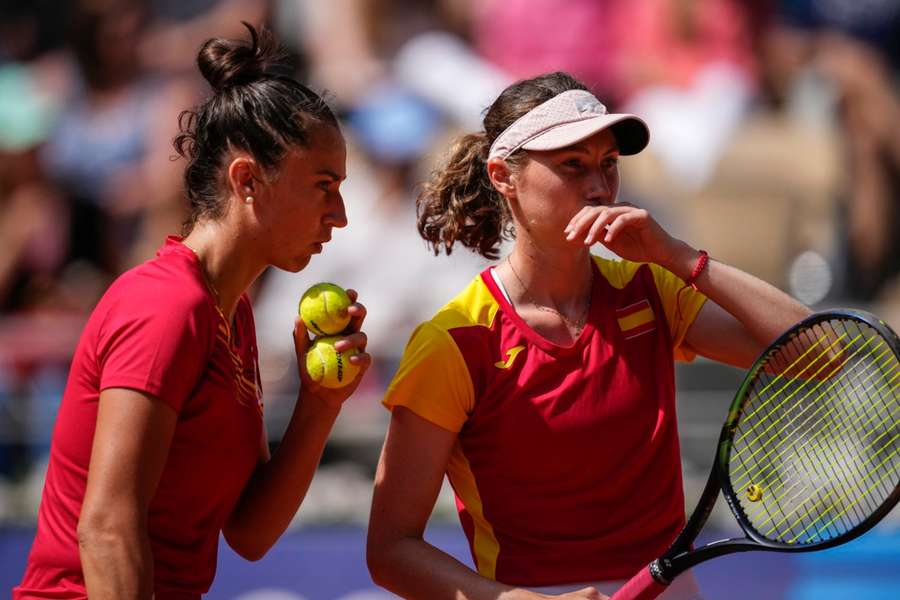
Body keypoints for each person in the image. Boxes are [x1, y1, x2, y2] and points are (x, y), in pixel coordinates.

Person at [366, 71, 810, 599]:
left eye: (607, 165)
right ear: (504, 176)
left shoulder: (653, 288)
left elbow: (822, 354)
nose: (598, 187)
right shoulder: (454, 343)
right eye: (572, 165)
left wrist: (681, 256)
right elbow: (391, 550)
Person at [14, 23, 370, 599]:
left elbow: (249, 533)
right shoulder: (166, 307)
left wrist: (319, 404)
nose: (340, 214)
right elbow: (106, 530)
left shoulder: (232, 314)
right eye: (324, 186)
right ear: (248, 180)